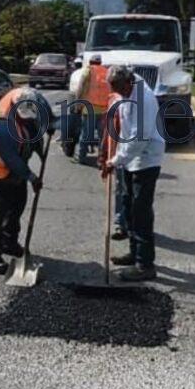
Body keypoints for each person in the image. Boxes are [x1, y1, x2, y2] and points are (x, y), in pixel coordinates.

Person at [101, 65, 165, 281]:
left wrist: (115, 160)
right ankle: (134, 253)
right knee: (128, 207)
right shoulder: (126, 88)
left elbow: (139, 138)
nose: (119, 93)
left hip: (146, 159)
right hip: (128, 158)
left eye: (120, 89)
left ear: (128, 83)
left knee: (141, 212)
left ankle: (145, 265)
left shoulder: (143, 100)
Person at [0, 87, 53, 274]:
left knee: (19, 202)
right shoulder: (1, 124)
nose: (27, 120)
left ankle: (9, 242)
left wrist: (49, 126)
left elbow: (39, 122)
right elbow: (12, 160)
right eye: (23, 117)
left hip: (17, 158)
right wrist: (31, 177)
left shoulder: (32, 96)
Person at [98, 90, 129, 241]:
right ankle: (121, 223)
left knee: (133, 192)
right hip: (120, 155)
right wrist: (104, 157)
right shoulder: (114, 105)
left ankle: (131, 223)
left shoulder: (135, 107)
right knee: (121, 189)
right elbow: (107, 134)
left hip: (137, 157)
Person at [69, 55, 111, 163]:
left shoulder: (87, 71)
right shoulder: (106, 72)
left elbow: (81, 87)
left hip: (89, 109)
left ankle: (80, 157)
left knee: (86, 134)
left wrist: (77, 104)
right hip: (104, 109)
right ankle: (101, 159)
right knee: (103, 136)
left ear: (90, 62)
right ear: (100, 62)